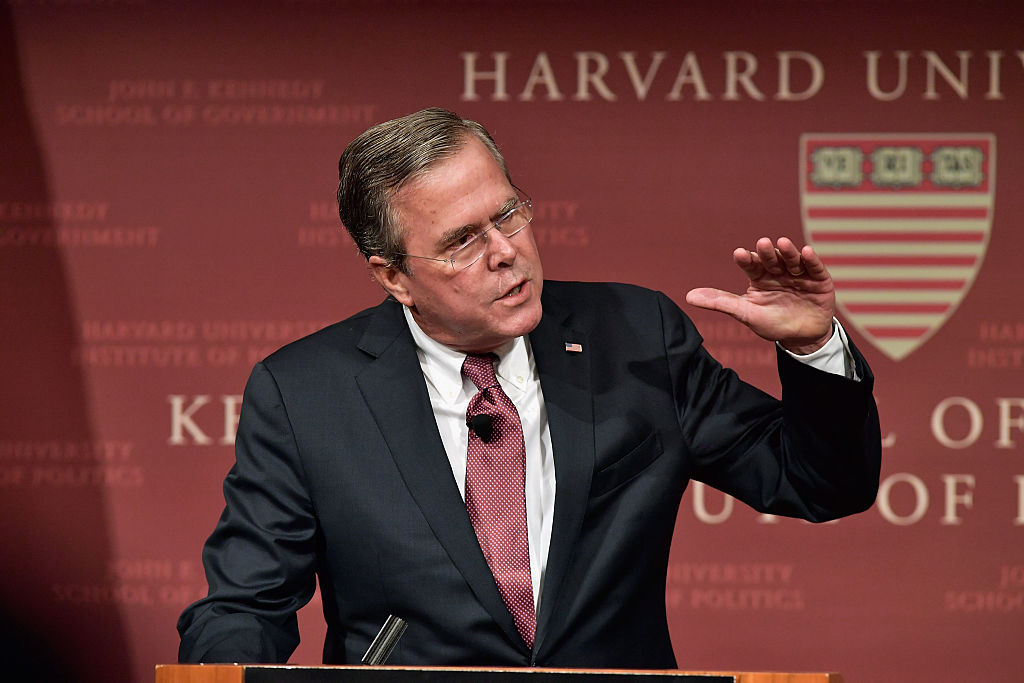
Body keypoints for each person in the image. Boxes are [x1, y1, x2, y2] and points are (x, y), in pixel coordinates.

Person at [177, 108, 880, 668]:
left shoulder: (635, 336)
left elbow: (821, 482)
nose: (505, 250)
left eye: (507, 214)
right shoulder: (306, 393)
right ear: (393, 275)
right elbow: (245, 604)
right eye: (461, 241)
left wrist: (812, 345)